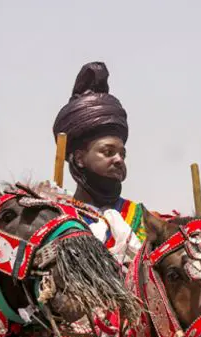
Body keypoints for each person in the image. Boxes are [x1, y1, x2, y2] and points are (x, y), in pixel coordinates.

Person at [53, 61, 147, 260]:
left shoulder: (142, 219)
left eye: (123, 154)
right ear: (79, 158)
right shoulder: (55, 216)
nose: (119, 160)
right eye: (108, 152)